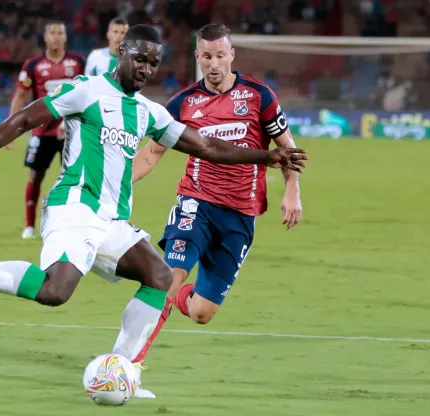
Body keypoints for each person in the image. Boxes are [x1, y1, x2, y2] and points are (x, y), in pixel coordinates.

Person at [0, 25, 307, 399]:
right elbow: (23, 120)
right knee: (55, 291)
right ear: (121, 51)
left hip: (110, 221)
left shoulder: (148, 111)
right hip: (73, 206)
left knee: (159, 276)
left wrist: (265, 157)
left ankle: (120, 369)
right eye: (139, 58)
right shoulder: (84, 90)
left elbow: (207, 147)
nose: (145, 68)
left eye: (154, 63)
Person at [129, 24, 304, 387]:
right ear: (197, 57)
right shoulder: (183, 103)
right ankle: (131, 366)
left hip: (240, 215)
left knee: (202, 312)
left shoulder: (259, 96)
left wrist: (292, 190)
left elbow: (288, 149)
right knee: (168, 276)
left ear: (232, 55)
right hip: (195, 203)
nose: (214, 63)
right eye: (206, 56)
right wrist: (113, 186)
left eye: (220, 55)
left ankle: (178, 299)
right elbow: (151, 154)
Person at [6, 21, 86, 240]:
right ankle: (30, 226)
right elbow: (20, 96)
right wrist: (12, 130)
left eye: (61, 32)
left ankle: (69, 225)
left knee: (74, 179)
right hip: (41, 132)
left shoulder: (78, 62)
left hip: (71, 131)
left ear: (66, 37)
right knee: (35, 176)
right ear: (45, 37)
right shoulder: (33, 65)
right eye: (52, 32)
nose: (57, 36)